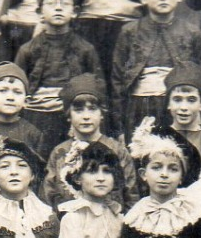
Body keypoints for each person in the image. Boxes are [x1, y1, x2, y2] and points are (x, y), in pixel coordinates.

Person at [112, 0, 201, 135]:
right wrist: (119, 125)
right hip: (139, 107)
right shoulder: (129, 32)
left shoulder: (192, 33)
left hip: (178, 109)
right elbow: (119, 80)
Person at [14, 0, 104, 153]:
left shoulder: (85, 49)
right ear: (39, 12)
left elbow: (98, 88)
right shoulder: (27, 50)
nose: (58, 7)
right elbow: (18, 89)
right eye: (51, 2)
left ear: (75, 11)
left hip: (73, 117)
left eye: (65, 3)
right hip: (36, 117)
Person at [42, 74, 137, 207]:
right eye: (78, 110)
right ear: (69, 115)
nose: (86, 116)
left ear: (101, 113)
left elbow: (131, 196)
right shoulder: (60, 152)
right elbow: (49, 194)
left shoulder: (117, 150)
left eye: (92, 109)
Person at [160, 63, 201, 206]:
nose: (184, 107)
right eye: (177, 100)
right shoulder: (159, 138)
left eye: (191, 100)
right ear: (168, 104)